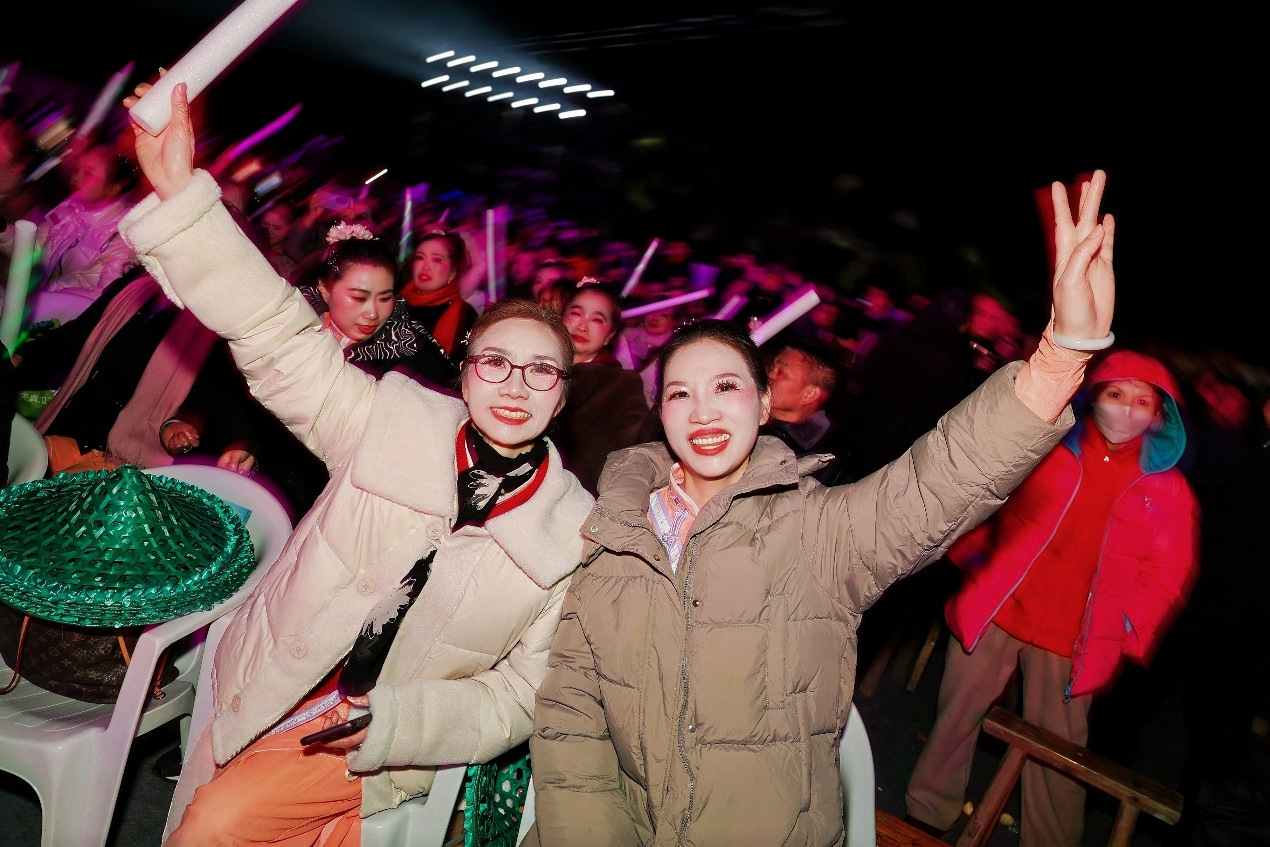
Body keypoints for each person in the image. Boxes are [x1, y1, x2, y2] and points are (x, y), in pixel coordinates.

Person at [527, 165, 1119, 846]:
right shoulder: (616, 527)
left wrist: (1061, 355)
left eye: (727, 386)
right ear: (660, 410)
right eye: (681, 392)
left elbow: (941, 479)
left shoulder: (818, 532)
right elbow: (572, 713)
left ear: (763, 404)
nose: (703, 409)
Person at [122, 79, 595, 846]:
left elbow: (519, 692)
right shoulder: (394, 419)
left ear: (564, 393)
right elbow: (278, 333)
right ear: (466, 371)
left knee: (214, 822)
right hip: (266, 680)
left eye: (542, 370)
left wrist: (401, 722)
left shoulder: (571, 533)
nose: (515, 385)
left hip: (373, 740)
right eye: (496, 362)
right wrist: (183, 193)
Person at [903, 349, 1199, 845]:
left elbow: (1169, 571)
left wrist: (1124, 626)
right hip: (999, 609)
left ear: (1158, 416)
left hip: (1074, 639)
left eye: (1142, 401)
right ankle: (925, 815)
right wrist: (972, 555)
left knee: (1059, 757)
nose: (1126, 410)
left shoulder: (1167, 492)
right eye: (1115, 393)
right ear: (1093, 396)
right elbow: (991, 498)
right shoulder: (1047, 447)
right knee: (955, 718)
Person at [297, 220, 457, 387]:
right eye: (359, 298)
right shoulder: (293, 320)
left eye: (385, 298)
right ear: (324, 290)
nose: (373, 313)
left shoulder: (407, 351)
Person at [551, 278, 660, 495]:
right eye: (576, 313)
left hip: (579, 499)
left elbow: (635, 442)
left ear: (609, 335)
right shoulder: (535, 368)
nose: (582, 326)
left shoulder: (620, 383)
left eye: (597, 319)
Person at [761, 334, 857, 485]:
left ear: (809, 394)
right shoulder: (744, 415)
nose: (769, 375)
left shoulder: (819, 464)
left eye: (781, 373)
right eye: (772, 367)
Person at [400, 227, 479, 366]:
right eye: (419, 258)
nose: (425, 267)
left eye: (436, 260)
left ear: (452, 272)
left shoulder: (465, 316)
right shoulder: (395, 301)